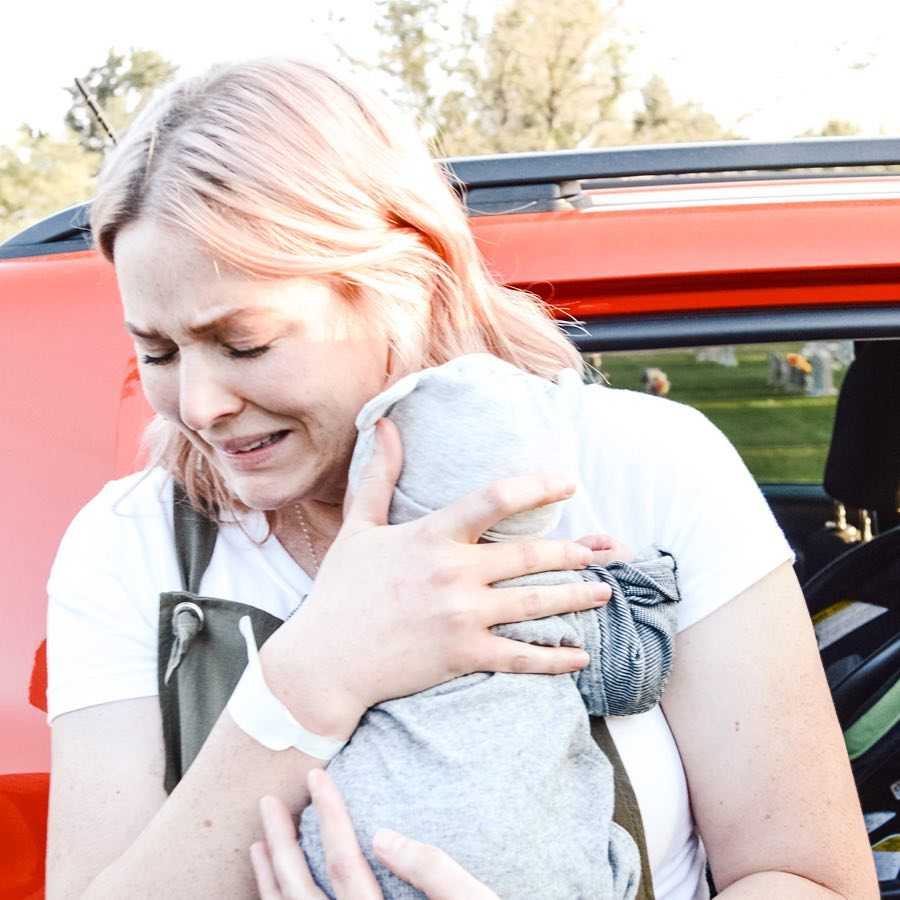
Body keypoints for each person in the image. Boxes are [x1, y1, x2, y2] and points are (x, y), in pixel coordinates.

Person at [44, 58, 877, 899]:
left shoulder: (647, 465)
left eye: (246, 343)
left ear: (402, 278)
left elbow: (813, 879)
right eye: (155, 351)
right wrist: (310, 681)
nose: (199, 403)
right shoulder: (129, 548)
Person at [298, 352, 680, 898]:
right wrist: (637, 575)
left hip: (353, 855)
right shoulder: (558, 593)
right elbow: (632, 682)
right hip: (529, 875)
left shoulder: (345, 597)